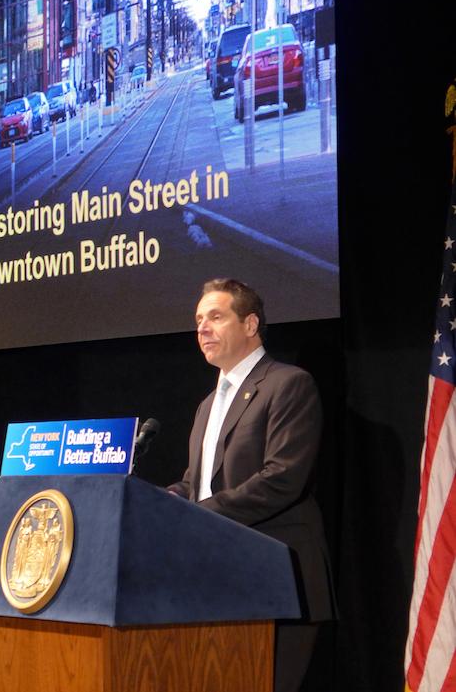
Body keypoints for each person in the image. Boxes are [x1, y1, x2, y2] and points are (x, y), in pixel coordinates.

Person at [168, 278, 336, 692]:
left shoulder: (287, 384)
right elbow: (196, 484)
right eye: (198, 320)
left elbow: (283, 478)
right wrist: (152, 502)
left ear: (250, 324)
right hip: (214, 579)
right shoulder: (208, 404)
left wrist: (193, 513)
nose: (202, 328)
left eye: (216, 316)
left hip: (279, 578)